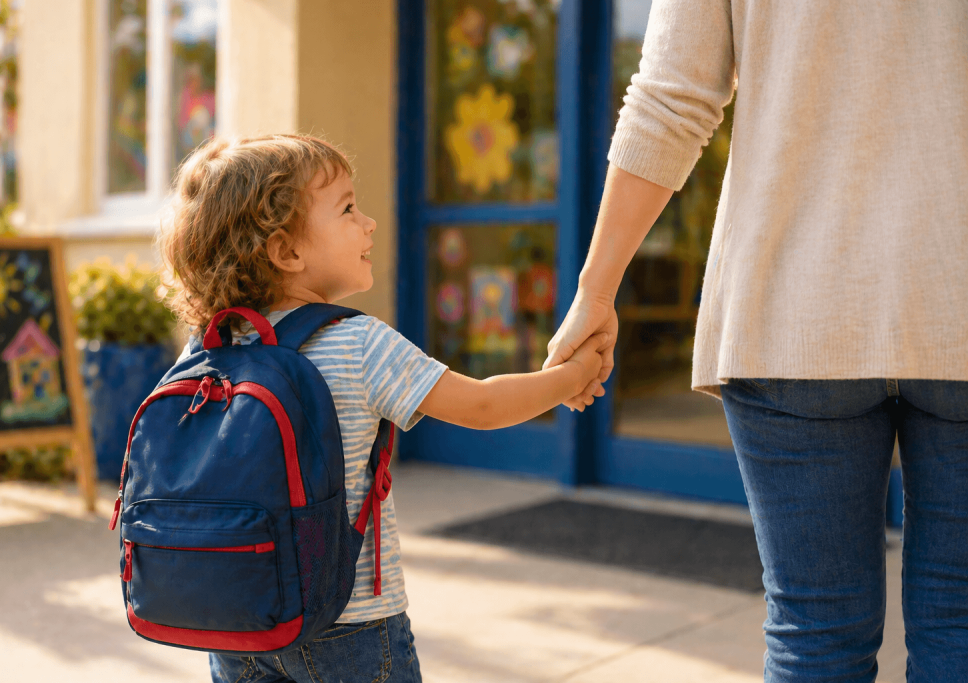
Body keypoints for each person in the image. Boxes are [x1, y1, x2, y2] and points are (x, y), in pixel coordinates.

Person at [543, 1, 968, 681]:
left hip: (791, 309)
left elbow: (671, 97)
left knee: (817, 630)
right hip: (955, 297)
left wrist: (596, 290)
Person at [159, 134, 607, 683]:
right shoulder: (358, 344)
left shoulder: (206, 349)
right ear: (286, 251)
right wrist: (573, 376)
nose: (369, 223)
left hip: (233, 617)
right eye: (348, 209)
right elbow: (484, 405)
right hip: (350, 622)